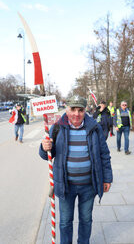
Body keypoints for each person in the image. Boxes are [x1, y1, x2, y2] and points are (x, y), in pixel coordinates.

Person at [39, 95, 113, 244]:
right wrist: (44, 147)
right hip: (66, 186)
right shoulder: (58, 127)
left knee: (86, 220)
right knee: (65, 221)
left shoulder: (94, 127)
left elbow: (104, 154)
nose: (76, 114)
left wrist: (107, 178)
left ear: (85, 110)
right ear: (67, 109)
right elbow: (47, 155)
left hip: (89, 185)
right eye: (73, 109)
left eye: (80, 110)